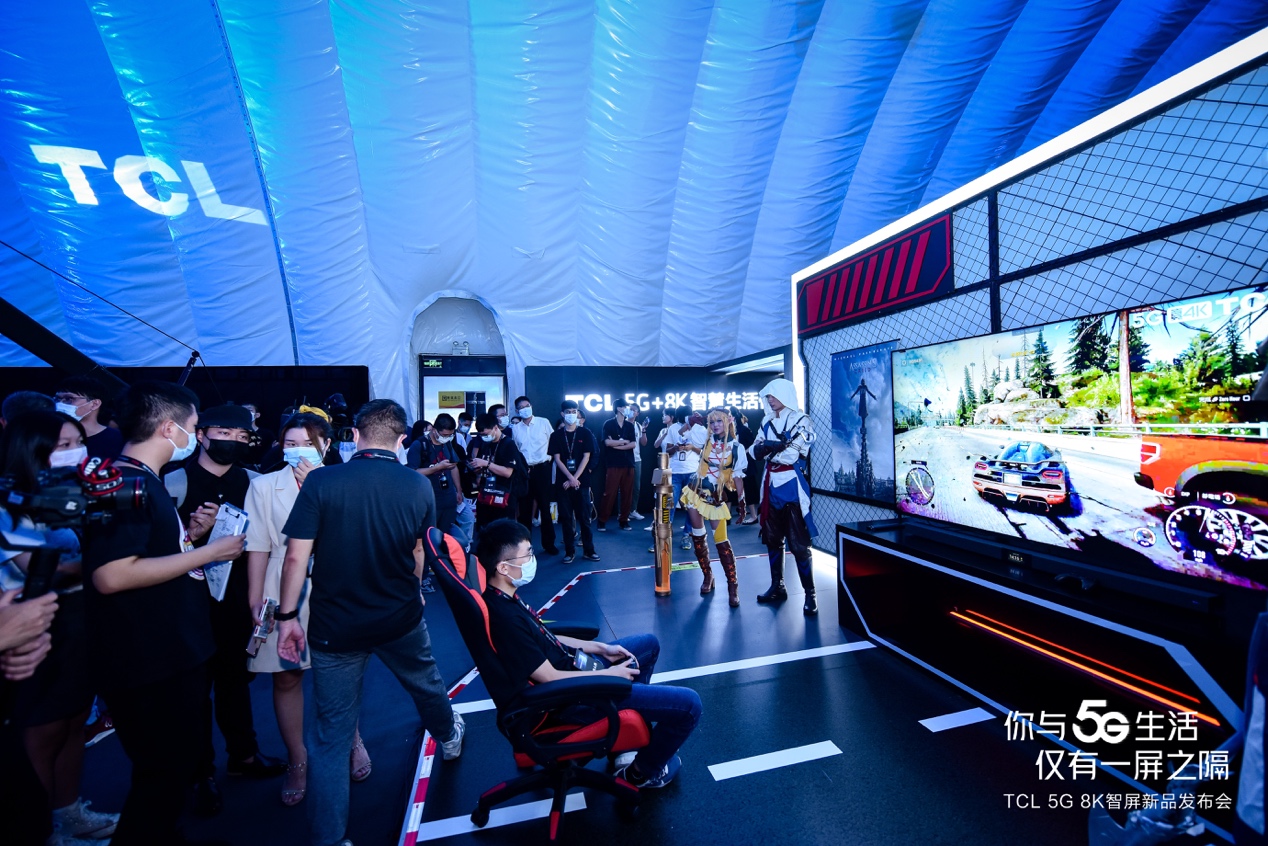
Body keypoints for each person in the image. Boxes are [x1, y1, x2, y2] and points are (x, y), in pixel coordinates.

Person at [275, 399, 464, 846]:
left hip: (334, 627)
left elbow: (296, 557)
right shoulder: (417, 485)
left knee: (330, 736)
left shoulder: (321, 481)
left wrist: (286, 617)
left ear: (355, 436)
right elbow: (418, 550)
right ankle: (449, 737)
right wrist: (414, 589)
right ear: (401, 441)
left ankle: (329, 838)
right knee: (426, 684)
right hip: (399, 617)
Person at [82, 381, 248, 845]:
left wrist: (190, 537)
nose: (196, 436)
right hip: (149, 659)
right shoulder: (125, 483)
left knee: (167, 775)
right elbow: (111, 574)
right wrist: (210, 552)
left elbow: (145, 555)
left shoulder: (140, 479)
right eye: (194, 426)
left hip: (165, 650)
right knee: (161, 776)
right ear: (169, 428)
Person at [478, 519, 701, 787]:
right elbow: (549, 677)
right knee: (690, 706)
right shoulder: (505, 619)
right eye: (527, 554)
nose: (532, 559)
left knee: (648, 645)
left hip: (575, 671)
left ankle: (625, 743)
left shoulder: (505, 597)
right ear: (503, 567)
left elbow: (546, 637)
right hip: (570, 700)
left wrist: (602, 648)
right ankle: (640, 773)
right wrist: (610, 676)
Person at [0, 411, 119, 843]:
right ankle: (35, 826)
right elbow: (40, 569)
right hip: (30, 629)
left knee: (73, 722)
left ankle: (68, 813)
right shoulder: (10, 504)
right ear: (31, 451)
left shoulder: (71, 492)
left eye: (78, 443)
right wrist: (113, 561)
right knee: (41, 729)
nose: (75, 452)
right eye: (63, 445)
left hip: (80, 620)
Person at [244, 412, 371, 806]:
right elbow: (257, 545)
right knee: (286, 677)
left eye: (307, 444)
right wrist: (254, 597)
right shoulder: (263, 486)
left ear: (326, 446)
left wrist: (319, 488)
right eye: (290, 443)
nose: (297, 451)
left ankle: (352, 740)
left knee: (341, 672)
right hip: (282, 586)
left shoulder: (343, 481)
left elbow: (356, 535)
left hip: (335, 586)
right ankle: (297, 760)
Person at [166, 404, 286, 816]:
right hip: (188, 605)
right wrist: (195, 533)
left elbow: (266, 541)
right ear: (201, 434)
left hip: (237, 600)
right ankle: (199, 773)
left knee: (235, 682)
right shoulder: (174, 482)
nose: (232, 442)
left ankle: (244, 755)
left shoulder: (253, 482)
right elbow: (157, 549)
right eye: (224, 433)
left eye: (241, 436)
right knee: (193, 693)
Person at [748, 378, 819, 615]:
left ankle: (810, 594)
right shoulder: (766, 421)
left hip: (792, 486)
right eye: (767, 396)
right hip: (770, 486)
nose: (770, 399)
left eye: (774, 395)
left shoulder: (802, 420)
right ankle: (777, 586)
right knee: (772, 539)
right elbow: (753, 451)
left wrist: (767, 449)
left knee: (799, 544)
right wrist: (770, 447)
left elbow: (791, 456)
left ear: (785, 394)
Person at [680, 409, 747, 607]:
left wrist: (742, 502)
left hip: (716, 497)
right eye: (712, 422)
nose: (715, 425)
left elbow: (737, 477)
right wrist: (692, 420)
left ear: (728, 421)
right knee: (698, 538)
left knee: (721, 542)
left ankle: (733, 586)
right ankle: (707, 575)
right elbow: (685, 431)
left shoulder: (737, 447)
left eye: (719, 421)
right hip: (695, 491)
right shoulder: (706, 439)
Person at [549, 400, 599, 565]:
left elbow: (586, 457)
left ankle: (589, 550)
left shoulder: (585, 433)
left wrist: (575, 478)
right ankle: (569, 552)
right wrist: (570, 479)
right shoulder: (556, 435)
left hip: (581, 482)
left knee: (585, 518)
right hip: (564, 482)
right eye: (568, 412)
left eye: (574, 411)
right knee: (566, 518)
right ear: (562, 414)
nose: (572, 414)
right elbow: (557, 459)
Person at [510, 396, 558, 555]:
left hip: (543, 468)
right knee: (524, 511)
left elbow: (553, 442)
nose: (525, 409)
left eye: (527, 405)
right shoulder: (516, 429)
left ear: (531, 406)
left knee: (545, 508)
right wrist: (522, 468)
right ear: (517, 411)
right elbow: (516, 451)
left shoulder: (543, 422)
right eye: (521, 407)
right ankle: (526, 547)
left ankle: (549, 544)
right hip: (525, 471)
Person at [468, 411, 525, 536]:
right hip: (486, 494)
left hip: (503, 495)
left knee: (503, 533)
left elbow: (508, 472)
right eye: (481, 435)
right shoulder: (485, 443)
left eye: (486, 434)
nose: (484, 437)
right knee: (485, 532)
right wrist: (478, 469)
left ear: (495, 427)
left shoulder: (509, 444)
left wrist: (486, 464)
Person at [660, 405, 706, 549]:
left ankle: (686, 535)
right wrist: (675, 447)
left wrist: (691, 447)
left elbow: (704, 452)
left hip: (692, 471)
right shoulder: (673, 428)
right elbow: (667, 450)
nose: (686, 418)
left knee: (692, 505)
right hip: (674, 472)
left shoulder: (698, 428)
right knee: (668, 505)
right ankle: (663, 536)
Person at [54, 376, 123, 460]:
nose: (60, 404)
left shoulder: (116, 439)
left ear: (94, 404)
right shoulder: (50, 434)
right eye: (57, 399)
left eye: (69, 399)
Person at [597, 399, 637, 531]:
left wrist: (617, 445)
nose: (628, 410)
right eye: (626, 407)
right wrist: (624, 442)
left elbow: (633, 444)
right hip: (613, 463)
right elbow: (607, 443)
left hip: (628, 463)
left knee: (627, 493)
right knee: (609, 493)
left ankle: (624, 520)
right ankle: (602, 520)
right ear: (619, 408)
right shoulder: (608, 424)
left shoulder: (629, 425)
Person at [730, 407, 759, 525]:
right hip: (733, 465)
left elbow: (753, 445)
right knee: (731, 488)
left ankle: (754, 515)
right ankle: (729, 515)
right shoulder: (730, 431)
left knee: (749, 489)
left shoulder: (744, 430)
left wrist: (742, 453)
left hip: (746, 465)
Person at [627, 403, 649, 521]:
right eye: (629, 409)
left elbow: (643, 443)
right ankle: (622, 512)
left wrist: (644, 430)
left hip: (636, 459)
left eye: (633, 410)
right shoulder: (622, 424)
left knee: (636, 487)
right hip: (623, 459)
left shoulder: (638, 426)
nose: (631, 411)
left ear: (637, 413)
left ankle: (633, 510)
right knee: (622, 487)